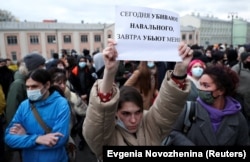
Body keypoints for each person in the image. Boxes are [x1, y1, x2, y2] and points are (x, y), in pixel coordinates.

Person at [82, 39, 193, 160]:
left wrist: (180, 70)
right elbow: (98, 123)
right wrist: (109, 73)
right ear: (116, 113)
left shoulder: (150, 125)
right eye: (126, 114)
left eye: (138, 112)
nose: (134, 120)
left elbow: (168, 107)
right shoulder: (107, 136)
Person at [165, 64, 250, 146]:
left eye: (206, 86)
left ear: (221, 90)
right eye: (200, 84)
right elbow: (172, 132)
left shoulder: (238, 118)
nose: (201, 89)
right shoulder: (189, 109)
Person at [5, 69, 71, 162]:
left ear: (47, 85)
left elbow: (59, 140)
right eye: (27, 87)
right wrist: (37, 139)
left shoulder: (61, 104)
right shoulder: (24, 105)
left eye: (34, 86)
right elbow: (9, 138)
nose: (30, 90)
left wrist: (25, 137)